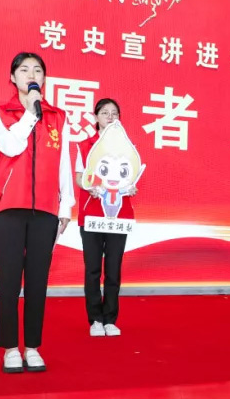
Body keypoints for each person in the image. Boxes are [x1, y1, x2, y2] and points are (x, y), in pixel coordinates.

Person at [0, 52, 74, 373]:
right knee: (9, 280)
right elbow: (10, 147)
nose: (31, 74)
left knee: (38, 281)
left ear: (44, 78)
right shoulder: (0, 113)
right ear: (13, 78)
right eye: (24, 70)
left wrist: (66, 205)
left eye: (37, 70)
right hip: (9, 208)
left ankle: (33, 346)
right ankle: (11, 347)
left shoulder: (58, 117)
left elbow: (64, 162)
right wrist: (30, 115)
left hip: (46, 210)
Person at [74, 98, 136, 337]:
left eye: (114, 113)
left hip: (119, 216)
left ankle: (110, 318)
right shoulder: (85, 145)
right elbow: (79, 177)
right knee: (92, 269)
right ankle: (95, 319)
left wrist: (131, 187)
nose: (110, 117)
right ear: (96, 117)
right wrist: (89, 186)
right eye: (105, 113)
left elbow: (131, 175)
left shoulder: (127, 147)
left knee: (113, 268)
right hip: (92, 214)